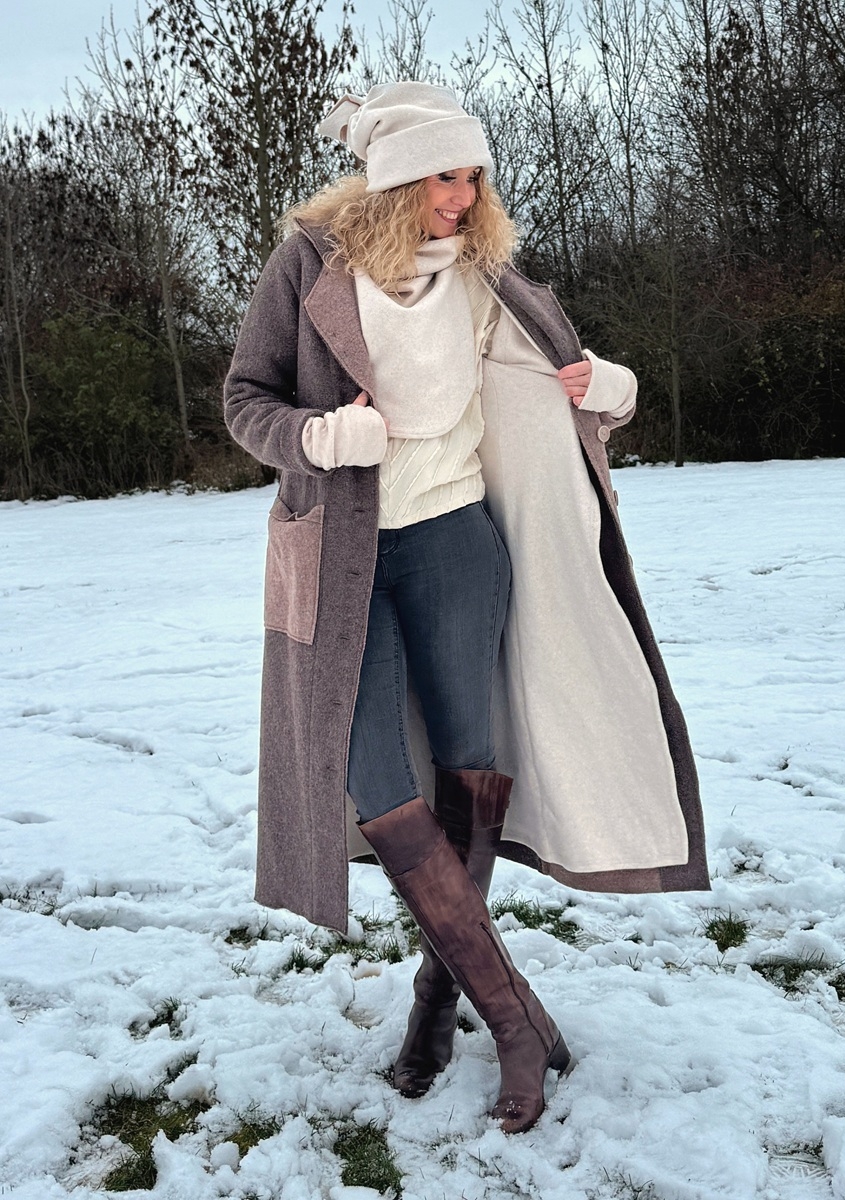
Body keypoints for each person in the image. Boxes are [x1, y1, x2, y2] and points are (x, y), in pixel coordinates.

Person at [224, 81, 709, 1135]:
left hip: (457, 546)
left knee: (468, 774)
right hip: (339, 557)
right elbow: (244, 398)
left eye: (474, 176)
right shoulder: (309, 262)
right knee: (374, 778)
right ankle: (514, 1016)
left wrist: (609, 387)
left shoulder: (487, 277)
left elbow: (576, 383)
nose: (463, 196)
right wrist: (317, 437)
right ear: (395, 179)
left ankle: (439, 1002)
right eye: (444, 176)